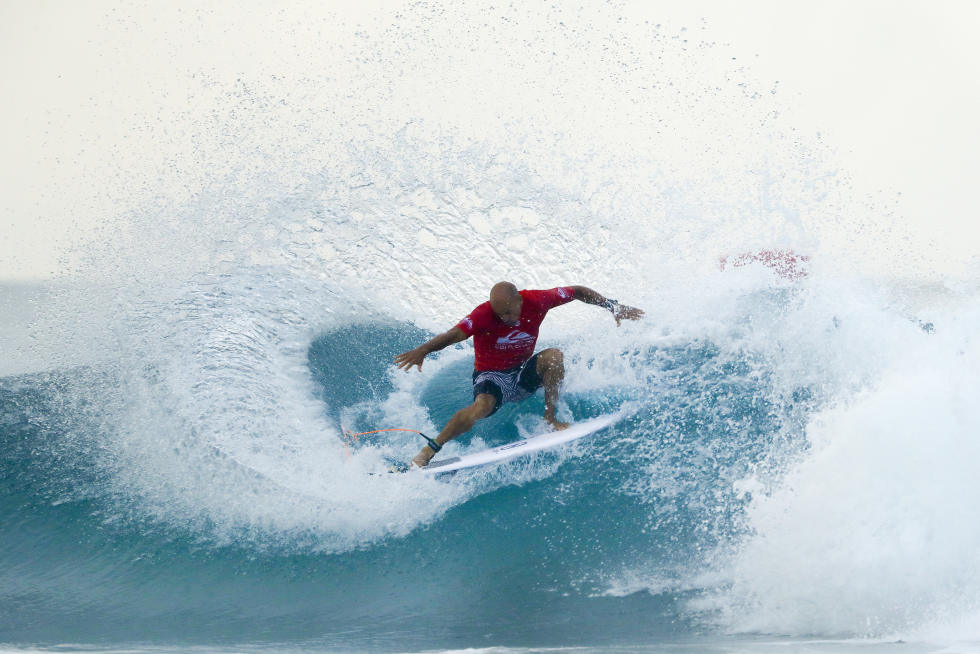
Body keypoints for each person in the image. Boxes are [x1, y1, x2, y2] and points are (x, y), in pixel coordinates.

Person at [393, 282, 644, 468]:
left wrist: (612, 306)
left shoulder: (538, 300)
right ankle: (429, 451)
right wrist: (424, 350)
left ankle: (551, 419)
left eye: (509, 313)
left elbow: (577, 291)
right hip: (491, 375)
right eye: (500, 315)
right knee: (480, 407)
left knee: (554, 356)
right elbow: (453, 334)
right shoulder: (482, 315)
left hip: (523, 371)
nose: (506, 319)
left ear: (519, 301)